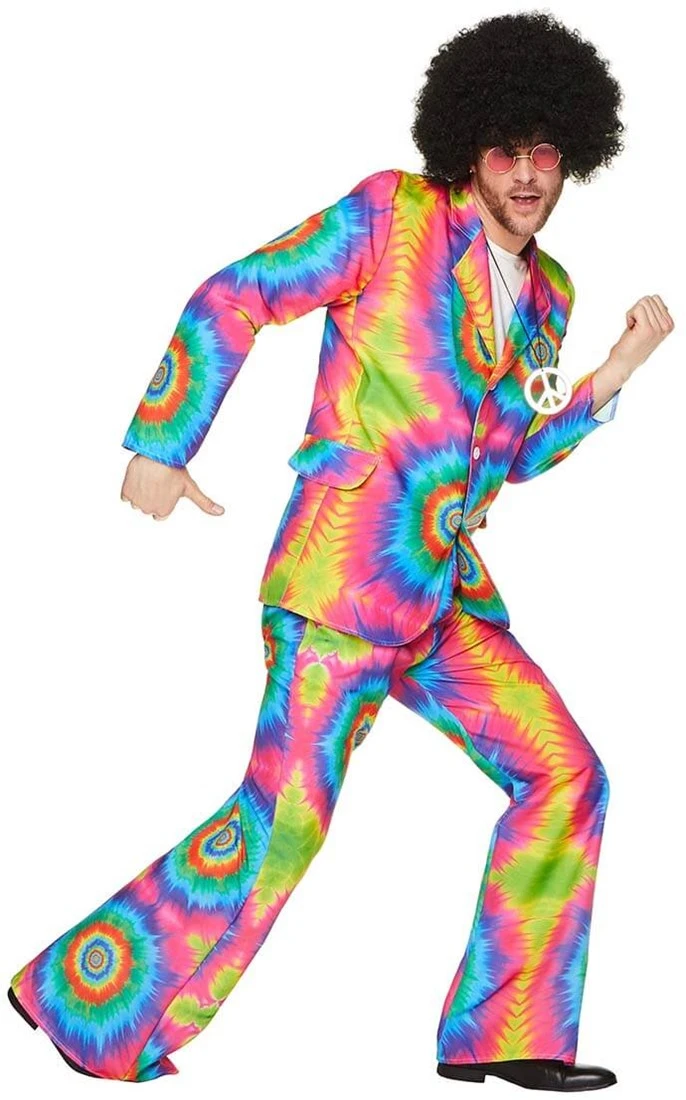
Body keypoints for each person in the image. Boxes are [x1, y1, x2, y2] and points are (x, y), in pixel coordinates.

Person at [8, 10, 674, 1091]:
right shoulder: (390, 216)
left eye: (544, 152)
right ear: (468, 148)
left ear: (573, 156)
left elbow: (508, 452)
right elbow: (239, 293)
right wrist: (163, 443)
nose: (524, 174)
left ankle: (507, 1035)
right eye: (503, 150)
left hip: (442, 598)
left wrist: (611, 377)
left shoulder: (550, 295)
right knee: (284, 823)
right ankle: (82, 1001)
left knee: (565, 774)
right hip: (340, 578)